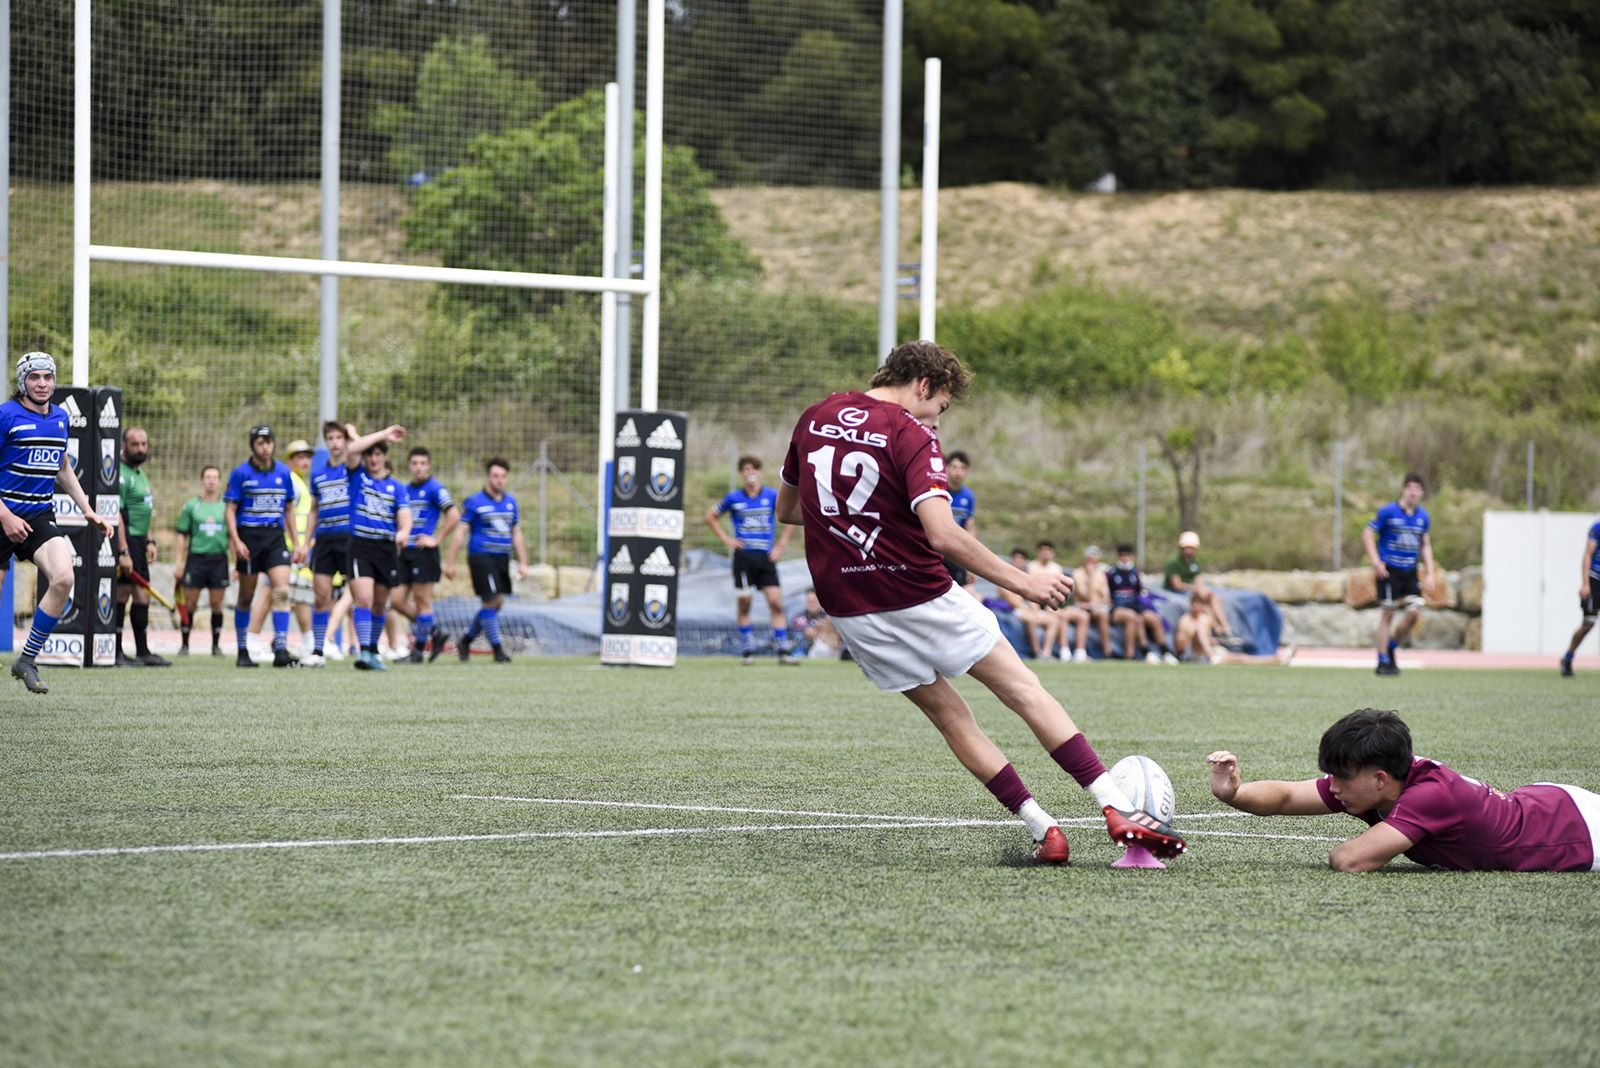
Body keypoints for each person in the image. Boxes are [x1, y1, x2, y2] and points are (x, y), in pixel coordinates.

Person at [775, 340, 1186, 863]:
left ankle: (1044, 829)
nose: (938, 422)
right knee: (1023, 690)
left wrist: (857, 522)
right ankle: (1114, 806)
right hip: (917, 590)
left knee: (953, 720)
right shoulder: (910, 434)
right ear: (924, 386)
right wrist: (1024, 583)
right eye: (940, 407)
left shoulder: (815, 416)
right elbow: (944, 536)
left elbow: (790, 509)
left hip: (852, 607)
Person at [1206, 708, 1599, 872]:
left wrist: (1372, 840)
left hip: (1574, 831)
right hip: (1543, 800)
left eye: (1341, 777)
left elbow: (1350, 860)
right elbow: (1290, 796)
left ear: (1379, 779)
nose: (1333, 787)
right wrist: (1235, 794)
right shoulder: (1381, 780)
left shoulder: (1428, 794)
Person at [1, 352, 116, 693]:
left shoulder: (60, 418)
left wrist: (88, 509)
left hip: (37, 514)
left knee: (64, 578)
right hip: (2, 512)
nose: (42, 383)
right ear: (23, 382)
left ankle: (27, 660)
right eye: (34, 377)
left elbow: (63, 467)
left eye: (47, 377)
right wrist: (5, 516)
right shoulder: (6, 415)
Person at [224, 425, 304, 667]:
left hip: (275, 538)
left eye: (269, 442)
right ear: (253, 446)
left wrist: (297, 543)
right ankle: (242, 650)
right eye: (260, 442)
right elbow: (230, 510)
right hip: (249, 538)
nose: (265, 447)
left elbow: (289, 509)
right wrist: (236, 542)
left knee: (281, 590)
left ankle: (280, 648)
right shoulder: (240, 474)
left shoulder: (283, 472)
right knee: (246, 597)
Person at [705, 456, 797, 664]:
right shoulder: (734, 498)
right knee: (745, 603)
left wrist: (781, 544)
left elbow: (790, 514)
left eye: (753, 468)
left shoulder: (772, 495)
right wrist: (726, 539)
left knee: (776, 603)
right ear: (741, 474)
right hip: (744, 558)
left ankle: (782, 650)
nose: (750, 472)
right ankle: (748, 649)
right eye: (745, 469)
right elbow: (710, 516)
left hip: (766, 557)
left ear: (759, 472)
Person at [444, 457, 528, 663]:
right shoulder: (475, 502)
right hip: (481, 557)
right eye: (495, 476)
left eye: (503, 476)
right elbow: (461, 531)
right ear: (488, 477)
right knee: (490, 600)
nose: (499, 480)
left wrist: (523, 562)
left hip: (502, 558)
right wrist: (450, 561)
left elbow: (516, 533)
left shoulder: (510, 503)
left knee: (497, 603)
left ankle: (465, 640)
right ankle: (498, 650)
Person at [342, 425, 411, 671]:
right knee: (363, 598)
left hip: (385, 547)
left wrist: (403, 531)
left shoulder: (397, 487)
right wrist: (383, 434)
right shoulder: (357, 477)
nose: (373, 458)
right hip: (360, 544)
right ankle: (363, 652)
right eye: (369, 454)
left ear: (384, 457)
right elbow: (350, 450)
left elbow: (404, 515)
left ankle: (373, 651)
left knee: (380, 604)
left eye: (378, 454)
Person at [1362, 473, 1436, 677]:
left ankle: (1392, 645)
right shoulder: (1388, 512)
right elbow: (1368, 533)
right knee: (1388, 613)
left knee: (1414, 612)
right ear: (1404, 489)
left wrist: (1430, 573)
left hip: (1410, 571)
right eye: (1410, 487)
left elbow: (1425, 544)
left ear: (1421, 492)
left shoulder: (1423, 517)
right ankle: (1382, 659)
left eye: (1417, 488)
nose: (1413, 492)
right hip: (1390, 570)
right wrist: (1376, 561)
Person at [247, 439, 315, 656]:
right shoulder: (291, 481)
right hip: (284, 548)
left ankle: (307, 641)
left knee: (299, 593)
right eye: (299, 457)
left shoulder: (300, 482)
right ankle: (252, 640)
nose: (305, 461)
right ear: (290, 460)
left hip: (297, 548)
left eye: (307, 457)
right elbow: (285, 514)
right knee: (270, 593)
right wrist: (295, 545)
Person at [392, 446, 457, 663]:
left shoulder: (435, 488)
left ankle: (418, 651)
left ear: (428, 465)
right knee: (397, 601)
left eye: (423, 463)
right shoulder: (404, 490)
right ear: (409, 466)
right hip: (405, 552)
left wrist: (436, 539)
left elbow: (454, 515)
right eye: (414, 463)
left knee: (422, 601)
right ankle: (435, 632)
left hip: (424, 552)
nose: (418, 467)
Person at [113, 425, 170, 667]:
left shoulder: (140, 473)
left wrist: (150, 540)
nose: (141, 449)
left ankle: (143, 652)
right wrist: (124, 551)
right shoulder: (120, 474)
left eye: (144, 444)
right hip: (126, 542)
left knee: (142, 596)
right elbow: (118, 515)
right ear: (124, 446)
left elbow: (144, 510)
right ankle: (115, 652)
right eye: (135, 444)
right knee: (123, 593)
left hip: (140, 541)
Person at [304, 420, 355, 667]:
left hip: (350, 539)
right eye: (331, 439)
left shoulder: (353, 468)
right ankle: (318, 649)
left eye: (339, 438)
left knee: (359, 593)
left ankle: (366, 647)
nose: (335, 443)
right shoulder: (319, 474)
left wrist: (354, 434)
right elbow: (314, 509)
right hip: (324, 540)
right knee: (321, 595)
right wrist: (305, 543)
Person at [173, 465, 230, 656]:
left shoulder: (226, 507)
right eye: (208, 477)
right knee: (190, 603)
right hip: (196, 559)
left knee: (217, 603)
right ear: (202, 480)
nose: (211, 480)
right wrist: (179, 563)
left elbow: (234, 536)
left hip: (219, 560)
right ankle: (185, 644)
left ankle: (215, 645)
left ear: (220, 481)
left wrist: (237, 564)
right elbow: (182, 536)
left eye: (215, 477)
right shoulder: (191, 506)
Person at [1108, 543, 1173, 663]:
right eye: (1122, 555)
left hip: (1135, 605)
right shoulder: (1111, 574)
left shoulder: (1134, 573)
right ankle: (1143, 651)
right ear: (1118, 557)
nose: (1125, 558)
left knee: (1154, 618)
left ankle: (1165, 651)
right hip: (1119, 607)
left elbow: (1139, 592)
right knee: (1135, 618)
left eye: (1127, 555)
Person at [1559, 519, 1599, 677]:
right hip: (1595, 578)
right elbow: (1588, 555)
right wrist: (1585, 584)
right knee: (1588, 624)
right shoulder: (1597, 528)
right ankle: (1568, 657)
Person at [942, 450, 979, 599]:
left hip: (957, 551)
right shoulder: (938, 489)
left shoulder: (968, 496)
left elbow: (970, 527)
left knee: (966, 594)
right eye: (955, 467)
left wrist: (972, 561)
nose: (958, 472)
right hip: (938, 548)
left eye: (963, 468)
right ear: (947, 468)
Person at [1022, 541, 1066, 659]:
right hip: (1033, 603)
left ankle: (1051, 652)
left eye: (1048, 550)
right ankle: (1037, 652)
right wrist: (1035, 609)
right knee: (1033, 619)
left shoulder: (1056, 568)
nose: (1045, 553)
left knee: (1058, 618)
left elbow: (1059, 591)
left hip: (1050, 604)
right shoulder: (1032, 566)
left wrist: (1052, 606)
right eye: (1043, 550)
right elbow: (1029, 588)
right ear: (1038, 553)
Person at [1068, 545, 1113, 663]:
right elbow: (1084, 595)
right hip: (1081, 607)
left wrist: (1095, 604)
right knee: (1084, 616)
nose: (1093, 561)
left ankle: (1108, 652)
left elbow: (1106, 598)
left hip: (1096, 607)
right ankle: (1080, 652)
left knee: (1103, 615)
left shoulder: (1101, 574)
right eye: (1090, 558)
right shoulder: (1077, 573)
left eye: (1095, 558)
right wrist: (1090, 578)